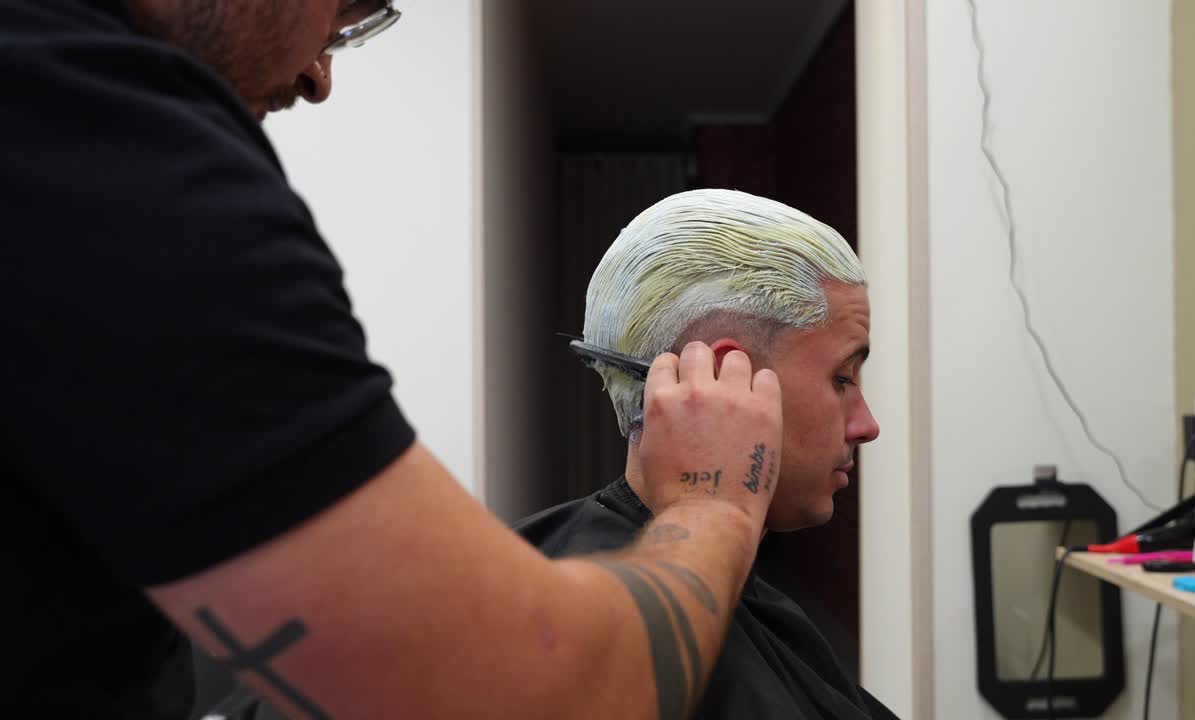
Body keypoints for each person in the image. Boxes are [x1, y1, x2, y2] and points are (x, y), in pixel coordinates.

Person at [1, 2, 788, 718]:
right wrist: (710, 506)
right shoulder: (110, 158)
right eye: (343, 10)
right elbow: (546, 695)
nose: (319, 77)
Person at [516, 189, 899, 719]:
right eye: (841, 379)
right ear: (721, 377)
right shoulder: (579, 637)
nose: (867, 425)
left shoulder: (758, 606)